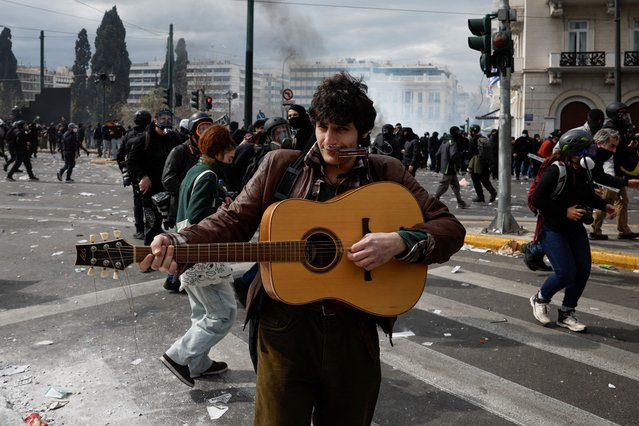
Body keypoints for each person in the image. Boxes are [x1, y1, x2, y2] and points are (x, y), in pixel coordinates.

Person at [140, 72, 466, 424]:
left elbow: (449, 228)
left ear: (363, 133)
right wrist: (179, 240)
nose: (329, 139)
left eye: (341, 130)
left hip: (354, 333)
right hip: (284, 330)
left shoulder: (386, 174)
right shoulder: (281, 167)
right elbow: (232, 220)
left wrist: (399, 241)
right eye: (323, 127)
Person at [159, 124, 238, 387]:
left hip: (188, 246)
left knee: (203, 311)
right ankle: (178, 356)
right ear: (218, 151)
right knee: (224, 313)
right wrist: (223, 207)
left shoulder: (196, 169)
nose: (234, 152)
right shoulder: (208, 175)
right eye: (229, 148)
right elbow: (197, 217)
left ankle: (198, 363)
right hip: (200, 248)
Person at [529, 129, 616, 332]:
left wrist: (605, 205)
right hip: (553, 229)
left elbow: (587, 195)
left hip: (574, 229)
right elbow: (537, 200)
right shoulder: (556, 171)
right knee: (565, 273)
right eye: (589, 150)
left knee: (583, 271)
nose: (592, 154)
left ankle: (567, 312)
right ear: (575, 153)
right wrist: (564, 211)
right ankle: (540, 299)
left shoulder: (583, 171)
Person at [161, 111, 213, 292]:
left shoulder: (206, 153)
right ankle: (173, 277)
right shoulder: (179, 151)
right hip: (182, 206)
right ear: (192, 133)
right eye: (202, 129)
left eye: (209, 129)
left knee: (196, 243)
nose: (206, 134)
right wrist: (189, 190)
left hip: (200, 205)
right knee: (183, 243)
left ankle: (183, 277)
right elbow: (167, 179)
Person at [127, 109, 180, 245]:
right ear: (155, 121)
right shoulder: (144, 139)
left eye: (169, 120)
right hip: (151, 190)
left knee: (174, 226)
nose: (166, 122)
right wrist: (143, 177)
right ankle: (149, 257)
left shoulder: (176, 138)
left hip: (172, 190)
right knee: (152, 225)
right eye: (163, 119)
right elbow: (131, 162)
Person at [589, 127, 639, 240]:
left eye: (616, 146)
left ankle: (623, 230)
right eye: (612, 146)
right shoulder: (590, 154)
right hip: (611, 179)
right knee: (604, 203)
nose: (614, 150)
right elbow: (599, 175)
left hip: (616, 179)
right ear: (600, 143)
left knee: (620, 202)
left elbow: (597, 175)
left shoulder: (599, 153)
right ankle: (595, 231)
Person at [433, 126, 468, 209]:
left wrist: (439, 165)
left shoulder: (444, 141)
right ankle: (434, 200)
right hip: (450, 167)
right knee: (444, 185)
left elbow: (437, 154)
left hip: (446, 166)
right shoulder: (452, 142)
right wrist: (461, 156)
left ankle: (460, 202)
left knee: (455, 185)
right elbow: (453, 155)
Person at [467, 124, 497, 203]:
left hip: (476, 163)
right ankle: (492, 191)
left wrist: (468, 164)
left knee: (475, 179)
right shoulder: (484, 139)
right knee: (484, 179)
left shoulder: (473, 140)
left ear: (473, 131)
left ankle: (480, 197)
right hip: (485, 163)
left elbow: (470, 153)